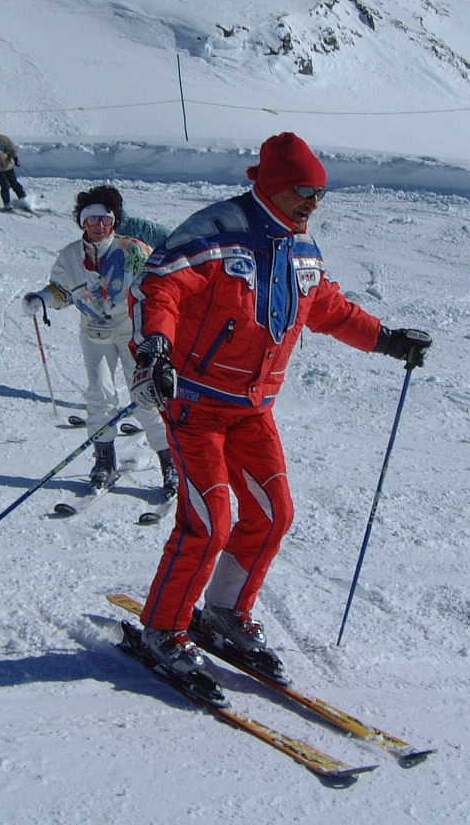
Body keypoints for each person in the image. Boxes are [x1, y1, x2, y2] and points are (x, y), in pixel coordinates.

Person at [127, 132, 432, 674]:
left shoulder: (302, 247)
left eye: (320, 193)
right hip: (196, 402)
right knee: (210, 522)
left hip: (253, 408)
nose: (313, 203)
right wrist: (156, 349)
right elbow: (162, 286)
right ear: (271, 185)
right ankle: (164, 627)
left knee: (273, 515)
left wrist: (388, 339)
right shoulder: (218, 231)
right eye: (303, 191)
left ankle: (225, 610)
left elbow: (330, 309)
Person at [21, 186, 178, 498]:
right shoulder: (70, 255)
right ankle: (104, 461)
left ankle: (169, 461)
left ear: (114, 221)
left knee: (146, 394)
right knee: (99, 394)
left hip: (132, 328)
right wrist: (41, 298)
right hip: (94, 331)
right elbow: (62, 291)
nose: (98, 225)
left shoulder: (134, 250)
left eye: (104, 219)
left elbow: (158, 286)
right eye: (90, 218)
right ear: (82, 222)